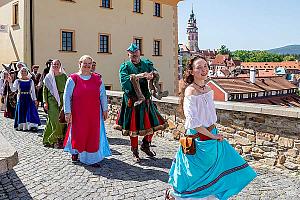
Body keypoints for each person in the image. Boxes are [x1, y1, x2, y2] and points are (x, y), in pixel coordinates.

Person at [166, 56, 257, 200]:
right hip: (197, 139)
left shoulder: (209, 89)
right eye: (199, 67)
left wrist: (213, 133)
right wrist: (213, 136)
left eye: (205, 66)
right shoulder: (190, 91)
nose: (204, 70)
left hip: (211, 135)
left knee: (217, 170)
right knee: (196, 174)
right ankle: (174, 195)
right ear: (191, 71)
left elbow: (209, 115)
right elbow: (194, 122)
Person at [113, 43, 168, 162]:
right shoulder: (125, 67)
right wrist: (139, 76)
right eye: (133, 56)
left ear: (139, 54)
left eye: (137, 56)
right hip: (132, 100)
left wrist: (152, 75)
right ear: (129, 55)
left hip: (146, 99)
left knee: (154, 123)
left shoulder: (146, 63)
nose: (135, 58)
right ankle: (135, 151)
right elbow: (124, 82)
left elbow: (153, 71)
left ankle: (146, 145)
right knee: (134, 127)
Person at [63, 55, 111, 166]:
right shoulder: (73, 78)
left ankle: (91, 159)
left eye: (89, 64)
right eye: (85, 63)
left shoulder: (97, 79)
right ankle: (75, 153)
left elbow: (103, 95)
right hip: (78, 113)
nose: (87, 66)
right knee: (78, 134)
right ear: (80, 64)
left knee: (92, 135)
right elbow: (66, 96)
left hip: (94, 114)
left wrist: (105, 110)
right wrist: (67, 112)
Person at [42, 60, 68, 148]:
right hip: (51, 101)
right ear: (51, 65)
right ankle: (53, 139)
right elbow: (44, 91)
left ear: (60, 65)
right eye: (54, 64)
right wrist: (45, 102)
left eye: (57, 64)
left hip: (62, 100)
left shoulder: (64, 76)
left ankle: (54, 139)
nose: (56, 65)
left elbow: (68, 89)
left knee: (61, 119)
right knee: (54, 119)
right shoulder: (48, 77)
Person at [8, 67, 41, 131]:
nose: (23, 73)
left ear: (27, 72)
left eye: (24, 71)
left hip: (28, 98)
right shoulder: (17, 81)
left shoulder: (31, 81)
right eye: (22, 71)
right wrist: (10, 83)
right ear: (20, 73)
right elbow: (13, 89)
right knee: (22, 112)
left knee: (30, 112)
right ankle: (22, 126)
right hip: (21, 98)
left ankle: (31, 126)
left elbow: (33, 91)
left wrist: (35, 99)